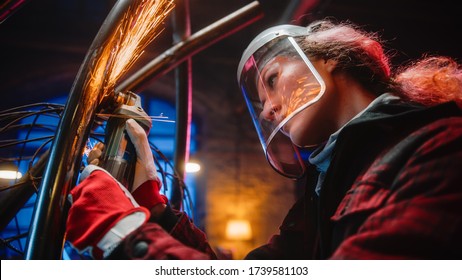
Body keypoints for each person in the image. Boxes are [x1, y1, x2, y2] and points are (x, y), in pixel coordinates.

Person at [65, 19, 462, 259]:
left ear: (333, 56)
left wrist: (123, 234)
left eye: (272, 80)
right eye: (261, 103)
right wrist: (155, 211)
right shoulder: (326, 192)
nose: (269, 110)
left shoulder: (441, 149)